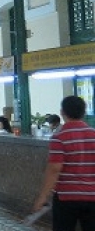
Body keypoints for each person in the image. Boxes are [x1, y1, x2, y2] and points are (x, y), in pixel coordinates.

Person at [33, 95, 95, 231]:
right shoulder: (93, 134)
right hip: (92, 196)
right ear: (84, 113)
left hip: (67, 198)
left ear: (62, 113)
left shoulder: (59, 137)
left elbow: (55, 169)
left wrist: (43, 196)